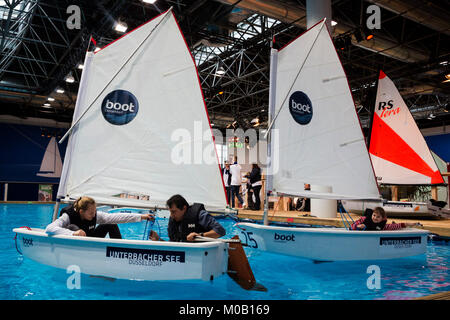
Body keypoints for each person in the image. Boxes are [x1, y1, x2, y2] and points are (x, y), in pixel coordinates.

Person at [45, 196, 154, 238]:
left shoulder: (95, 214)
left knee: (110, 223)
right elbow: (49, 229)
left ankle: (118, 251)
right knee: (73, 227)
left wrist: (141, 216)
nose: (94, 215)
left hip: (91, 240)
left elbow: (116, 217)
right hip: (76, 244)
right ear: (81, 211)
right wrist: (73, 233)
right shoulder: (67, 216)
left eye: (95, 211)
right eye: (91, 213)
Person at [149, 194, 226, 242]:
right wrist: (158, 239)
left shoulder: (200, 215)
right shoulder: (173, 220)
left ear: (184, 208)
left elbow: (221, 231)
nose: (171, 215)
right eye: (170, 212)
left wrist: (200, 236)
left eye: (174, 212)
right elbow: (173, 245)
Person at [351, 207, 422, 231]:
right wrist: (358, 226)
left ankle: (393, 222)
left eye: (378, 217)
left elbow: (397, 226)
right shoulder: (364, 219)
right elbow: (351, 227)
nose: (375, 218)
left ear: (382, 219)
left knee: (393, 226)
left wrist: (408, 224)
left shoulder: (382, 226)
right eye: (374, 215)